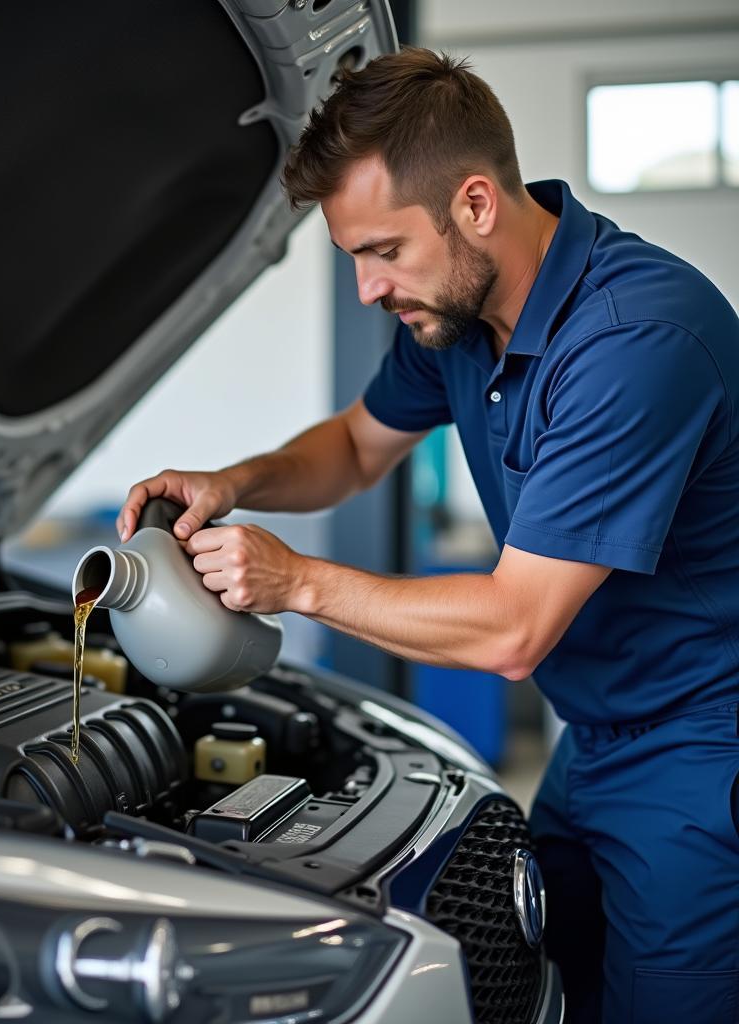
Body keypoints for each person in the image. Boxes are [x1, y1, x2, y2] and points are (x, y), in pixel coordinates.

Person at [117, 48, 739, 1023]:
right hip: (593, 742)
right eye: (352, 257)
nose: (368, 288)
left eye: (382, 251)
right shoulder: (457, 317)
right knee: (549, 981)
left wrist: (293, 582)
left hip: (701, 748)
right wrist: (232, 482)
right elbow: (357, 448)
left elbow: (511, 629)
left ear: (477, 204)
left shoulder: (636, 339)